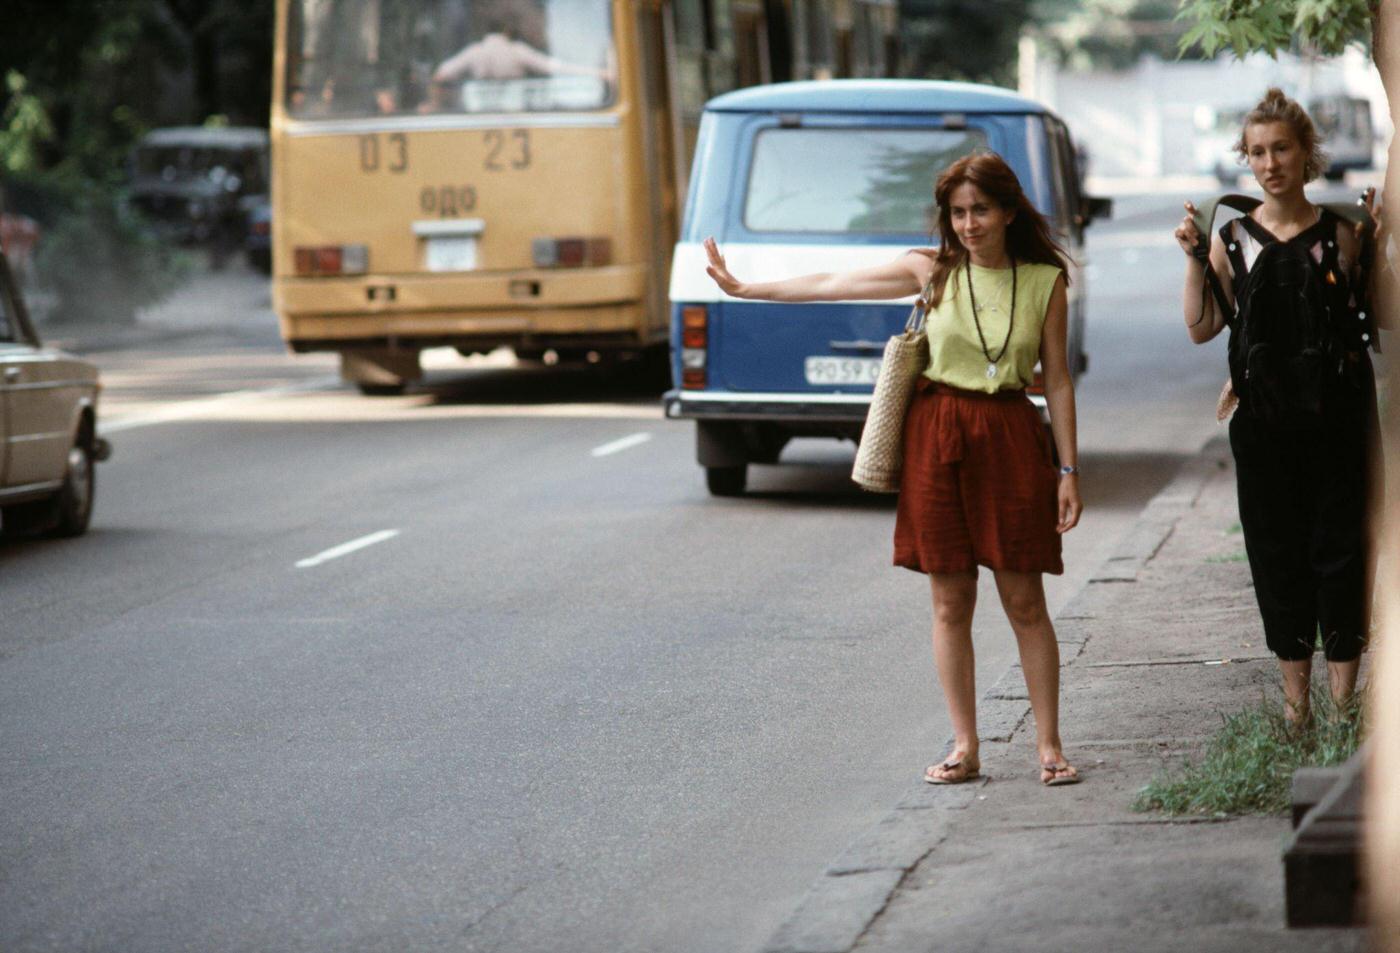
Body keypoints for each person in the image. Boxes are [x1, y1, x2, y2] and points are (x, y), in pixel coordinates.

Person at [704, 152, 1083, 786]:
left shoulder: (1044, 280)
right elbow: (832, 284)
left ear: (1009, 211)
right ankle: (966, 745)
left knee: (1024, 597)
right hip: (937, 434)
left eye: (980, 211)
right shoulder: (930, 270)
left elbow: (1061, 382)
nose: (968, 224)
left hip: (1013, 436)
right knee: (948, 600)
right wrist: (747, 289)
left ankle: (1049, 745)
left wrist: (1068, 469)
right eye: (957, 213)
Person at [1173, 87, 1387, 727]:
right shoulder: (1232, 237)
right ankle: (1298, 708)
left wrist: (1382, 242)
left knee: (1345, 550)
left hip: (1341, 420)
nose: (1270, 163)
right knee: (1277, 553)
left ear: (1306, 153)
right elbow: (1202, 325)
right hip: (1263, 425)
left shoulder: (1344, 235)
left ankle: (1345, 705)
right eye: (1258, 152)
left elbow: (1386, 313)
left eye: (1282, 149)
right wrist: (1191, 260)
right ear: (1247, 157)